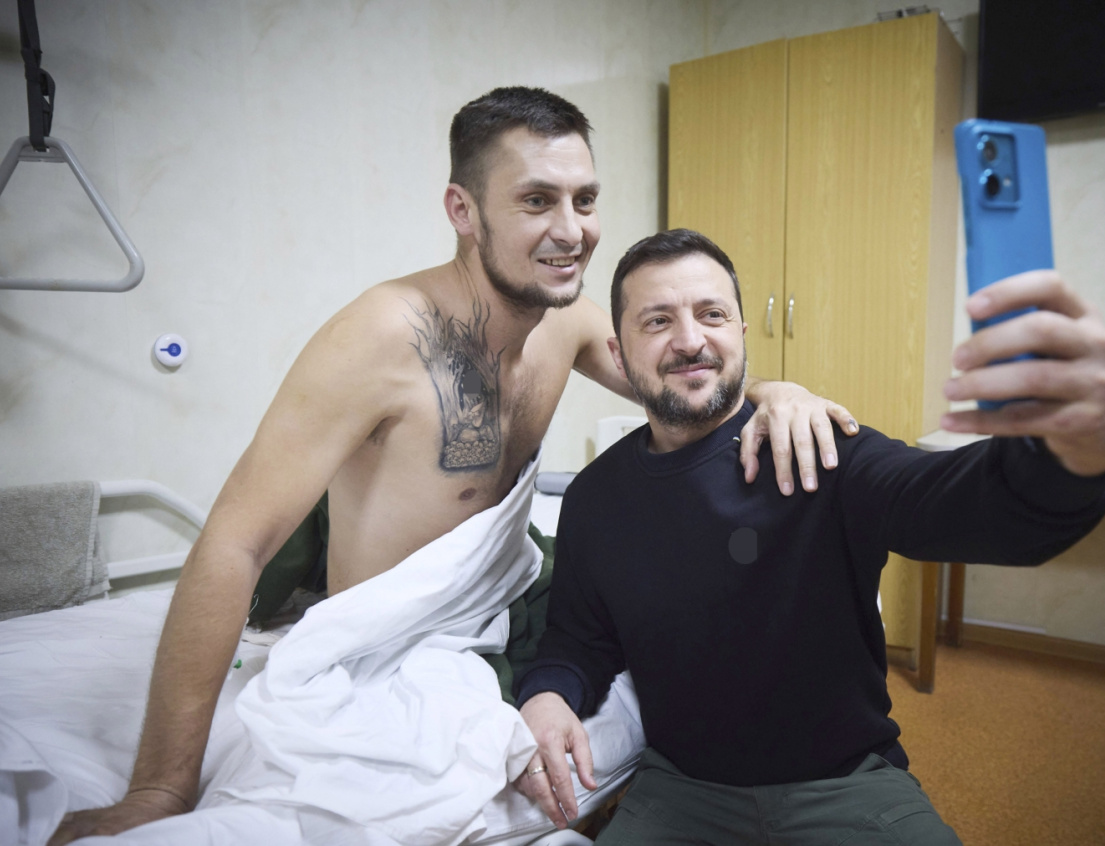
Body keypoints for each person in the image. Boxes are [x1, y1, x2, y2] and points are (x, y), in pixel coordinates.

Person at [49, 90, 856, 844]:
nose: (572, 230)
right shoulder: (380, 336)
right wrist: (160, 789)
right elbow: (234, 542)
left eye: (584, 200)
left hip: (509, 604)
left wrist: (780, 392)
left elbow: (689, 380)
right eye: (536, 201)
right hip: (392, 644)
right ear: (463, 211)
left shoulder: (569, 322)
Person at [514, 229, 1105, 843]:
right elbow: (579, 637)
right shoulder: (596, 498)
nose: (690, 339)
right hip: (681, 789)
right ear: (619, 354)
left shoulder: (816, 447)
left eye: (712, 314)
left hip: (846, 784)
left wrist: (1071, 450)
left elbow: (970, 507)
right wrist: (548, 695)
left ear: (741, 334)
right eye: (657, 321)